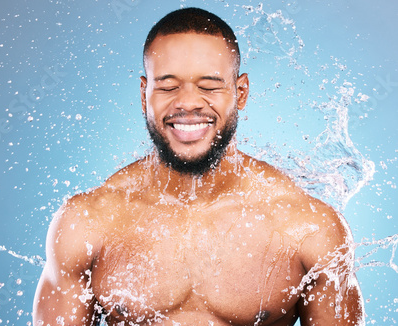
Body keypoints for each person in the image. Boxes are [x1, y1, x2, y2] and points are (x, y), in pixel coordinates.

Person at [33, 7, 364, 326]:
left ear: (241, 92)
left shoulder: (307, 228)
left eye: (209, 86)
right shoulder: (89, 224)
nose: (188, 102)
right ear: (144, 93)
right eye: (167, 86)